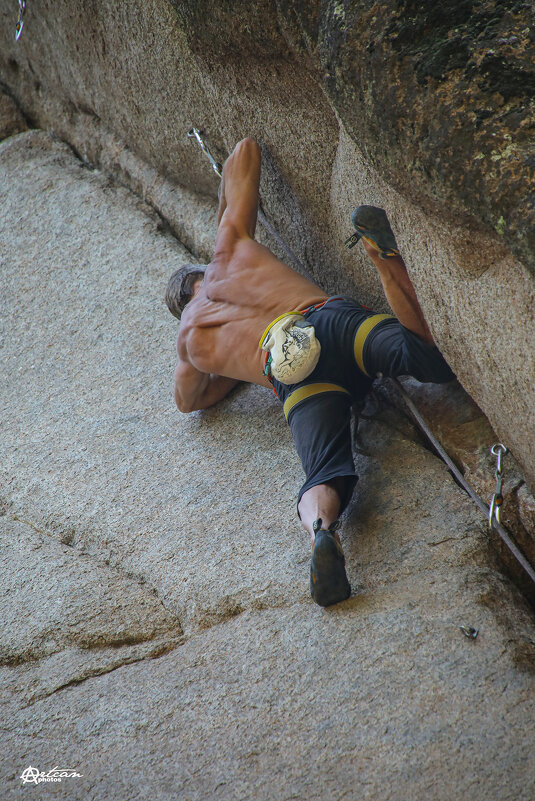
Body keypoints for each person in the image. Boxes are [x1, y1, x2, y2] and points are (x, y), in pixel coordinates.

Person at [165, 138, 454, 607]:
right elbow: (245, 153)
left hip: (294, 373)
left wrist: (234, 368)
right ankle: (382, 259)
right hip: (329, 321)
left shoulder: (191, 339)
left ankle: (323, 531)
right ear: (200, 272)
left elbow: (188, 400)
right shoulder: (228, 250)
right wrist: (224, 219)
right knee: (425, 358)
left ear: (180, 309)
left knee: (322, 472)